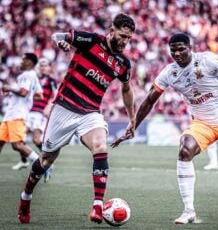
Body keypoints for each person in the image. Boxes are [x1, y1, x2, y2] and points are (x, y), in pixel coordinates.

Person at [111, 33, 218, 224]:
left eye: (181, 48)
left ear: (190, 48)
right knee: (185, 150)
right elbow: (150, 100)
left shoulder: (207, 60)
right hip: (202, 124)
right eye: (172, 50)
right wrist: (133, 124)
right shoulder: (169, 72)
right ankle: (189, 210)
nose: (176, 53)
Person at [17, 13, 136, 224]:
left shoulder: (123, 63)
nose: (126, 41)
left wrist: (132, 118)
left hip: (90, 112)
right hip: (64, 107)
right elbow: (57, 36)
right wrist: (61, 42)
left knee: (100, 146)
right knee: (45, 160)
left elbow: (126, 89)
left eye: (129, 38)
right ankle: (26, 197)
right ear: (111, 31)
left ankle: (98, 206)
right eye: (123, 36)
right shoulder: (91, 41)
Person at [12, 58, 58, 183]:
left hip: (40, 113)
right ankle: (24, 161)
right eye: (41, 65)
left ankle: (48, 161)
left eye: (45, 65)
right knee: (17, 140)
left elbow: (55, 96)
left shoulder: (51, 81)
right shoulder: (33, 78)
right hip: (27, 112)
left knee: (36, 139)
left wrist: (48, 107)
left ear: (49, 67)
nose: (43, 68)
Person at [0, 53, 42, 167]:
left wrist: (10, 88)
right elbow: (39, 95)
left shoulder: (26, 75)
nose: (20, 62)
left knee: (17, 145)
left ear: (29, 62)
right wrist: (28, 96)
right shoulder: (33, 76)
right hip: (11, 114)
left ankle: (42, 165)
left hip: (16, 114)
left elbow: (23, 92)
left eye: (23, 60)